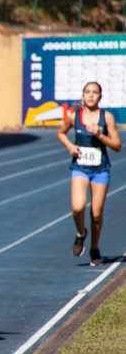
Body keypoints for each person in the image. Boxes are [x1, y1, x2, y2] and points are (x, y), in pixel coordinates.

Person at [57, 81, 121, 266]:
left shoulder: (107, 117)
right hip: (80, 168)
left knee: (96, 213)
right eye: (87, 92)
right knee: (78, 207)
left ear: (100, 96)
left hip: (100, 170)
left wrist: (100, 135)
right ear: (83, 95)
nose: (91, 95)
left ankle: (94, 248)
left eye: (95, 92)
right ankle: (81, 233)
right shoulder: (73, 115)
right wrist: (70, 146)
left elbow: (117, 146)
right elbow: (61, 133)